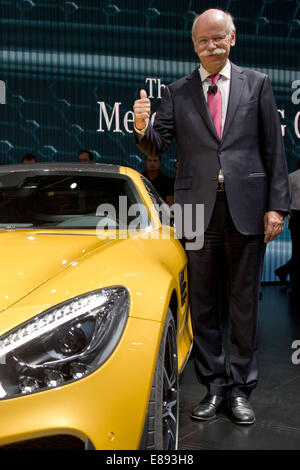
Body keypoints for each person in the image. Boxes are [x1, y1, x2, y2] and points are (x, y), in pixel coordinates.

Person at [133, 9, 290, 425]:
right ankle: (214, 386)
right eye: (202, 41)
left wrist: (277, 205)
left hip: (248, 208)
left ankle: (240, 389)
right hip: (195, 211)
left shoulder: (257, 84)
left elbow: (273, 150)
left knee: (243, 306)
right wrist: (142, 125)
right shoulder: (177, 91)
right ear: (194, 45)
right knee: (201, 305)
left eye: (218, 38)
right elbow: (155, 148)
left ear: (233, 39)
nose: (210, 46)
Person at [275, 159, 300, 295]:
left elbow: (287, 198)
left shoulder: (292, 177)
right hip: (297, 216)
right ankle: (293, 282)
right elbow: (287, 198)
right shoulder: (292, 177)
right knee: (297, 252)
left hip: (296, 217)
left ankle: (284, 272)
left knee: (297, 252)